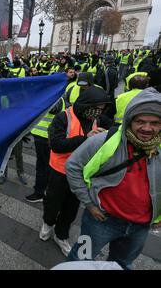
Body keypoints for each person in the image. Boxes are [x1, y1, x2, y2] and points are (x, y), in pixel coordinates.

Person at [66, 88, 161, 269]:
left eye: (154, 123)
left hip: (140, 227)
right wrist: (89, 203)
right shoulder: (103, 140)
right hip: (101, 221)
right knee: (79, 261)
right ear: (129, 121)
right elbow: (72, 166)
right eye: (140, 121)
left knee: (122, 264)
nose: (147, 128)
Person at [39, 87, 111, 256]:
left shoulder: (95, 119)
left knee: (71, 208)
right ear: (86, 104)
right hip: (59, 171)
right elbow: (56, 145)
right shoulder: (63, 117)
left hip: (80, 174)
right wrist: (85, 139)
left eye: (101, 109)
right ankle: (47, 223)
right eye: (96, 108)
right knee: (52, 203)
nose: (98, 112)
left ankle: (61, 235)